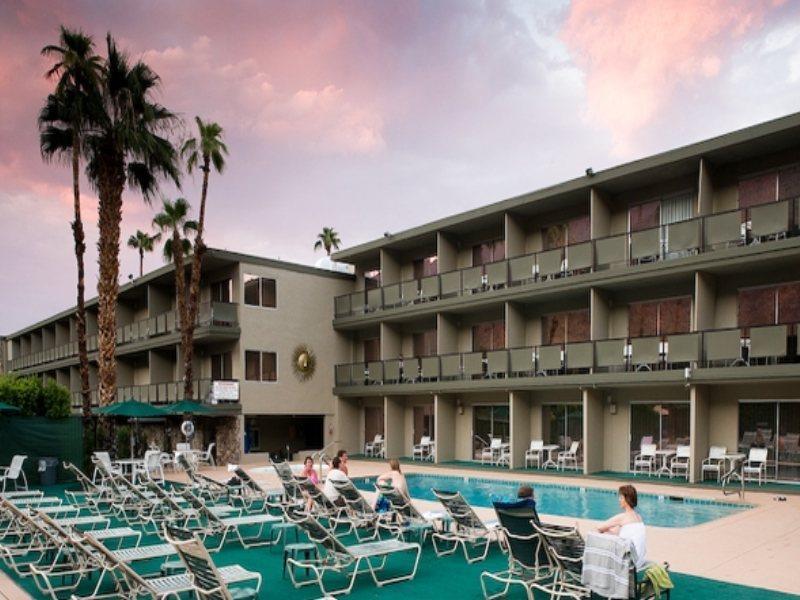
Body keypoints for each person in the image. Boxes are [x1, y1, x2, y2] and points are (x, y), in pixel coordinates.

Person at [598, 484, 647, 568]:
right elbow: (626, 534)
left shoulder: (622, 517)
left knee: (601, 536)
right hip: (640, 560)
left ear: (626, 499)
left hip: (630, 563)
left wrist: (606, 531)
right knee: (612, 532)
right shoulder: (639, 517)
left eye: (621, 498)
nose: (619, 500)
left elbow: (599, 528)